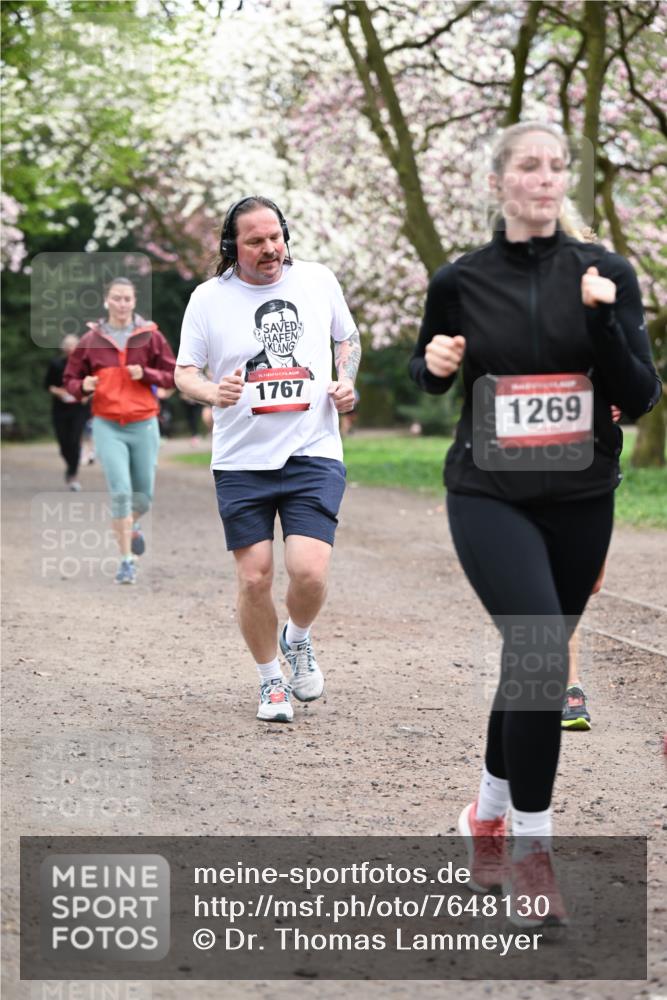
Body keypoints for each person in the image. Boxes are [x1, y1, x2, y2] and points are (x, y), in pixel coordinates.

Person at [409, 121, 661, 926]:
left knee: (533, 657)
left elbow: (642, 392)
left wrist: (604, 323)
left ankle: (485, 812)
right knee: (539, 650)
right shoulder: (459, 279)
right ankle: (531, 854)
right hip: (487, 490)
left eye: (556, 166)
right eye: (528, 166)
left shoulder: (605, 272)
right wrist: (434, 365)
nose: (544, 178)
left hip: (581, 495)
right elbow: (426, 368)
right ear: (499, 183)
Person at [175, 195, 360, 723]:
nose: (269, 248)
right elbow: (185, 371)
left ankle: (296, 638)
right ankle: (270, 681)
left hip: (312, 451)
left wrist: (346, 380)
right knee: (255, 578)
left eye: (275, 236)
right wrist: (213, 393)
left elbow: (346, 338)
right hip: (240, 460)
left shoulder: (318, 281)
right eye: (255, 241)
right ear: (234, 246)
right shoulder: (209, 299)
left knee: (309, 572)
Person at [64, 277, 176, 584]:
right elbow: (70, 379)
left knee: (143, 498)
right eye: (116, 298)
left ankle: (131, 524)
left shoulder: (151, 337)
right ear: (106, 301)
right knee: (121, 493)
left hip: (144, 422)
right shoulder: (91, 340)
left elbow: (172, 374)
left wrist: (146, 373)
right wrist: (82, 386)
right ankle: (127, 560)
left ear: (134, 301)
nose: (122, 304)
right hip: (107, 424)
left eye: (127, 298)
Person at [44, 334, 90, 491]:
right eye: (68, 345)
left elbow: (93, 384)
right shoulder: (56, 364)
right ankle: (70, 465)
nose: (71, 348)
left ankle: (73, 473)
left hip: (79, 409)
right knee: (63, 442)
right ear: (63, 347)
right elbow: (48, 385)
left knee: (74, 439)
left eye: (74, 345)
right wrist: (59, 392)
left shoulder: (85, 364)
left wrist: (86, 395)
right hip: (60, 408)